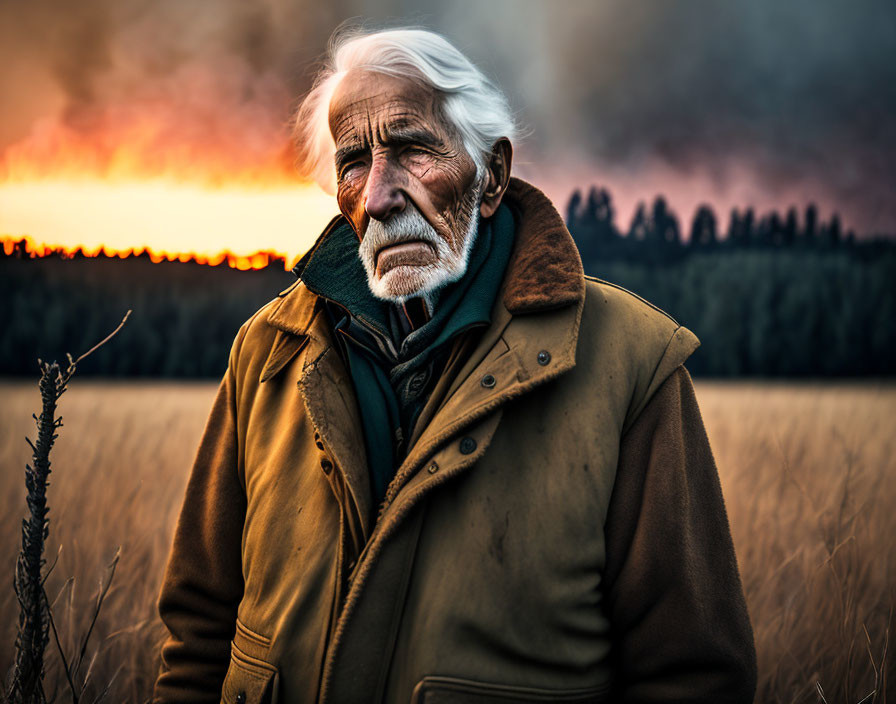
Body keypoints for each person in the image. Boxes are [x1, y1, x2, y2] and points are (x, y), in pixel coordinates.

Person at [153, 27, 756, 704]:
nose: (379, 195)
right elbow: (199, 636)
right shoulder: (266, 352)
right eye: (354, 162)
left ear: (491, 175)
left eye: (411, 150)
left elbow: (692, 676)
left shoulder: (632, 364)